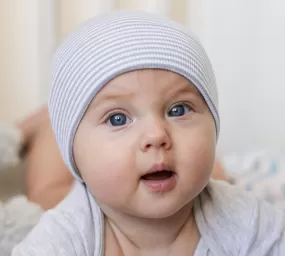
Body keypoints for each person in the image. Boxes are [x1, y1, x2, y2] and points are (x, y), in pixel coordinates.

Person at [13, 10, 285, 255]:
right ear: (72, 150)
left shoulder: (248, 222)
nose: (156, 135)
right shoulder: (62, 240)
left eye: (178, 110)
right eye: (118, 118)